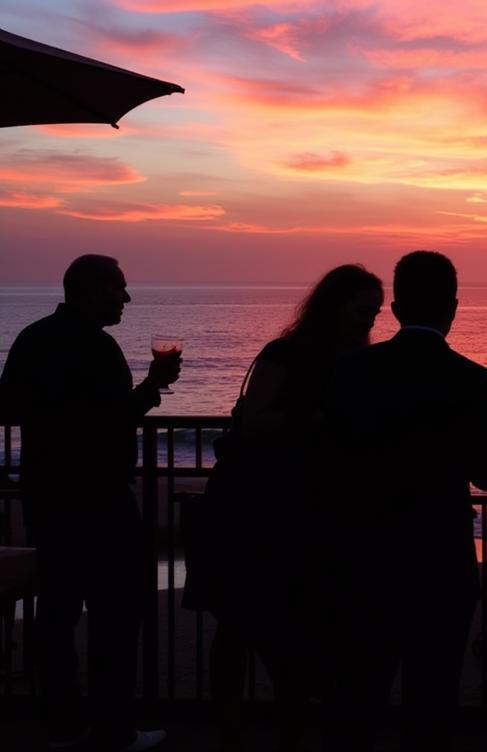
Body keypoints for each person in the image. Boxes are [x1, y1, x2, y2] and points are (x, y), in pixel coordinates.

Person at [184, 264, 384, 752]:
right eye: (362, 310)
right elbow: (255, 421)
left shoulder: (354, 359)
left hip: (304, 506)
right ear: (333, 306)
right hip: (255, 506)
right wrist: (321, 418)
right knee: (240, 621)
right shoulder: (286, 354)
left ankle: (280, 726)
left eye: (374, 312)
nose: (368, 320)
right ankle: (234, 728)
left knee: (285, 624)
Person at [322, 251, 487, 752]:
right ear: (453, 307)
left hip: (364, 551)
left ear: (397, 307)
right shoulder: (471, 378)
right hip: (440, 554)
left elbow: (330, 456)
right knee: (433, 696)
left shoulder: (353, 369)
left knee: (360, 692)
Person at [0, 255, 180, 752]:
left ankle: (63, 727)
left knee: (56, 613)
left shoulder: (34, 337)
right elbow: (112, 421)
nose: (126, 298)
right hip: (99, 499)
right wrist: (153, 384)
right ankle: (114, 732)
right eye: (118, 288)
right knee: (116, 617)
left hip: (46, 494)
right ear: (91, 290)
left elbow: (7, 405)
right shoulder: (97, 348)